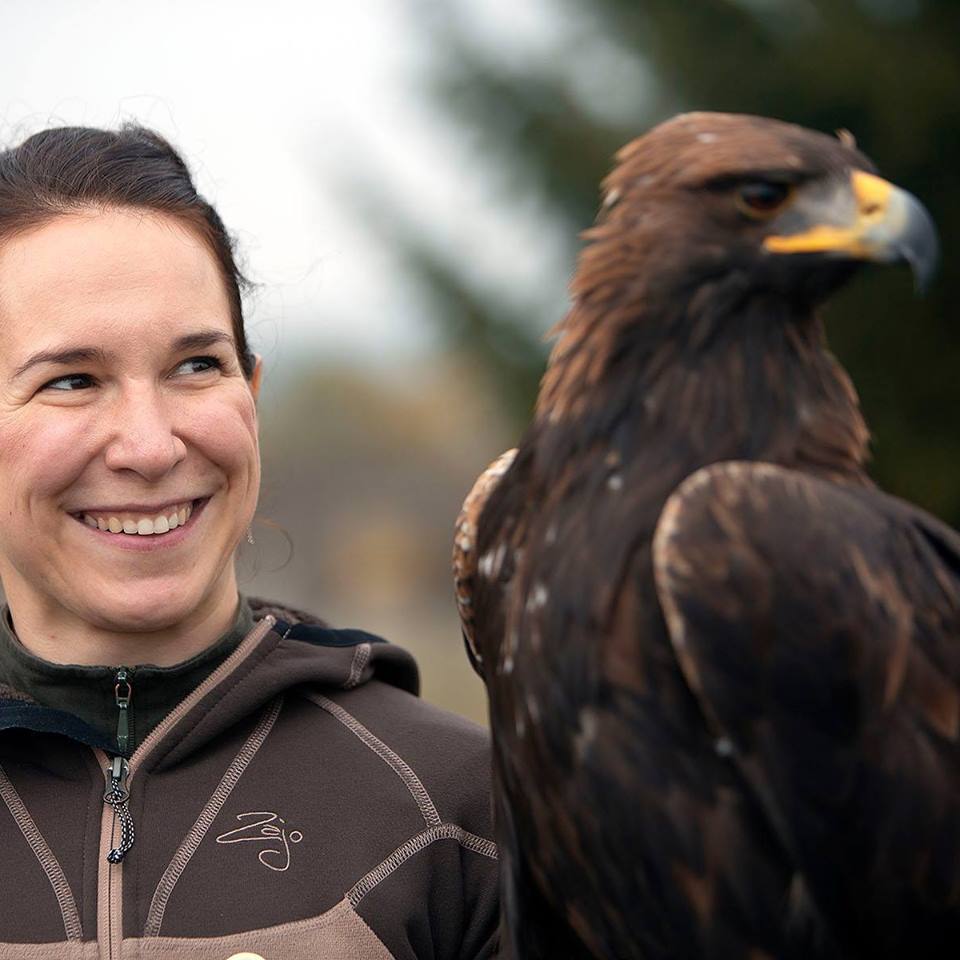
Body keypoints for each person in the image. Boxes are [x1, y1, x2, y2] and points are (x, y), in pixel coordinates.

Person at [0, 126, 499, 959]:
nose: (151, 445)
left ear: (252, 393)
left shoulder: (461, 813)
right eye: (72, 381)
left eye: (196, 366)